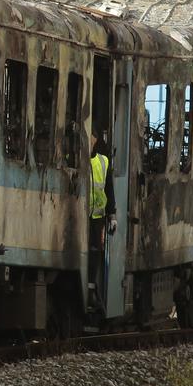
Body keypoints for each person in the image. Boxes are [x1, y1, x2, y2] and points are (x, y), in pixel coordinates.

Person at [88, 132, 117, 313]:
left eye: (92, 135)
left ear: (96, 139)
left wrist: (112, 216)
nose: (89, 139)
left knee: (95, 252)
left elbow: (109, 189)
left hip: (97, 217)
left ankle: (92, 288)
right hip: (81, 217)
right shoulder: (75, 159)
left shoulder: (103, 162)